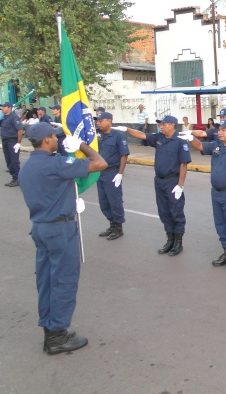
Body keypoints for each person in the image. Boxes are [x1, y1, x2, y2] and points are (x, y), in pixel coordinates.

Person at [19, 122, 108, 355]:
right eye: (54, 136)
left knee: (47, 281)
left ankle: (50, 330)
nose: (57, 139)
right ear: (47, 140)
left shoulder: (27, 166)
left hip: (41, 227)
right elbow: (100, 163)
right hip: (60, 230)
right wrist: (82, 145)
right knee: (64, 281)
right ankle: (57, 336)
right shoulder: (56, 164)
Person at [180, 120, 226, 270]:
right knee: (220, 223)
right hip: (216, 192)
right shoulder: (216, 146)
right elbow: (201, 146)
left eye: (224, 129)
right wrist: (191, 139)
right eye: (219, 129)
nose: (220, 132)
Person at [112, 115, 191, 256]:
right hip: (159, 181)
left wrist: (180, 185)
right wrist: (126, 129)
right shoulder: (159, 138)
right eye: (160, 125)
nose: (161, 127)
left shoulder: (180, 141)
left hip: (172, 181)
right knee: (164, 212)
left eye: (164, 124)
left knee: (175, 212)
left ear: (172, 125)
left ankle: (178, 242)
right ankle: (170, 240)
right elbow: (142, 135)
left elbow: (183, 164)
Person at [95, 112, 130, 240]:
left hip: (112, 172)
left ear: (109, 121)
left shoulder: (118, 136)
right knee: (104, 201)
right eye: (97, 121)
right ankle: (111, 224)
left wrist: (120, 173)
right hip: (100, 173)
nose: (98, 123)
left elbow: (124, 155)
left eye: (101, 121)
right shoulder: (97, 136)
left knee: (114, 201)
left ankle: (118, 227)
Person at [1, 102, 24, 187]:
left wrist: (18, 143)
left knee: (14, 161)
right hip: (5, 141)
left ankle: (18, 179)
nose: (2, 108)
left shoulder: (14, 117)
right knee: (9, 161)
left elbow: (20, 130)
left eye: (4, 107)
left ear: (9, 108)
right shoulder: (3, 118)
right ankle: (14, 177)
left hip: (12, 141)